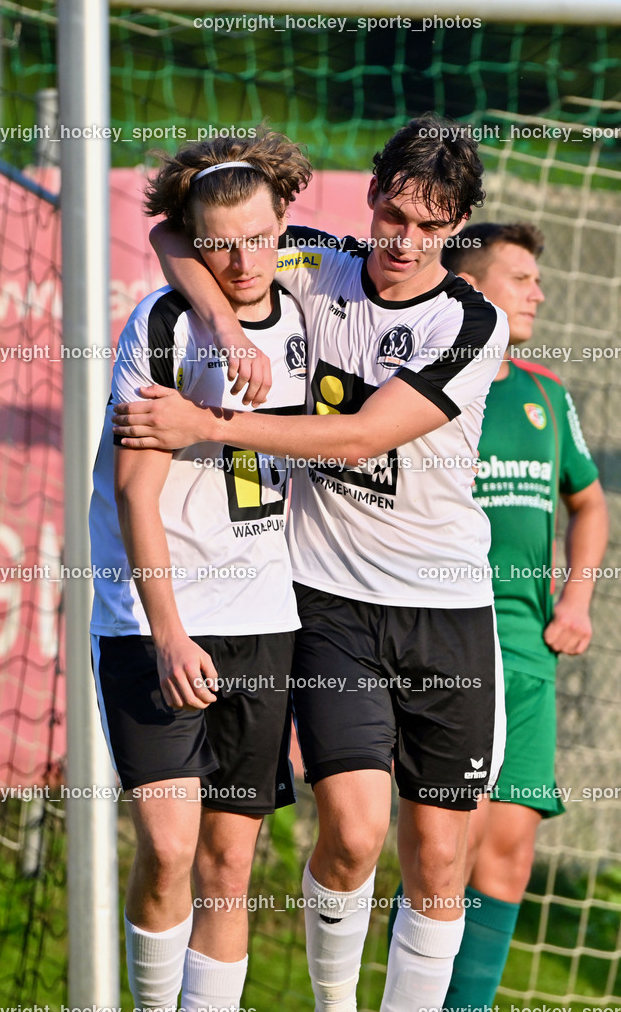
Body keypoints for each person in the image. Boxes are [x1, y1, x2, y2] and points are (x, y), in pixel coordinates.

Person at [112, 113, 510, 1012]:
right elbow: (178, 231)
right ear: (370, 196)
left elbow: (364, 434)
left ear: (456, 228)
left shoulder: (470, 321)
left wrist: (207, 424)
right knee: (354, 832)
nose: (405, 241)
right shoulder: (315, 259)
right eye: (396, 214)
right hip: (328, 602)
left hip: (446, 608)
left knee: (441, 855)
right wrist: (219, 325)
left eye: (432, 224)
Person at [88, 129, 312, 1012]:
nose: (242, 259)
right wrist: (170, 632)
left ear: (283, 225)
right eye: (219, 243)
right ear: (195, 239)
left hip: (264, 613)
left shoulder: (308, 307)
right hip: (155, 622)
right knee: (171, 849)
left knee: (229, 860)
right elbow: (137, 494)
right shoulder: (162, 322)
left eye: (259, 238)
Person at [434, 223, 608, 1008]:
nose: (538, 292)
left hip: (527, 651)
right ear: (472, 290)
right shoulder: (429, 389)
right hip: (449, 645)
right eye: (521, 278)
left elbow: (589, 502)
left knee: (508, 850)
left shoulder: (545, 395)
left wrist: (574, 598)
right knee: (446, 847)